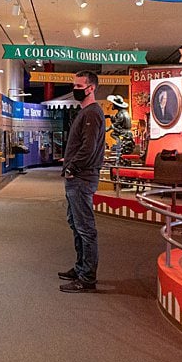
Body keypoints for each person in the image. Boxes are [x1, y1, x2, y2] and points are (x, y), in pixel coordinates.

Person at [59, 70, 106, 293]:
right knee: (76, 224)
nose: (75, 90)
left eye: (79, 86)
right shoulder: (87, 113)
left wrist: (72, 167)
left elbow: (89, 148)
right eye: (74, 85)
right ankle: (80, 268)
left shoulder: (92, 113)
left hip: (81, 179)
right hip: (77, 177)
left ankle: (87, 277)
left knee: (85, 228)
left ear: (91, 88)